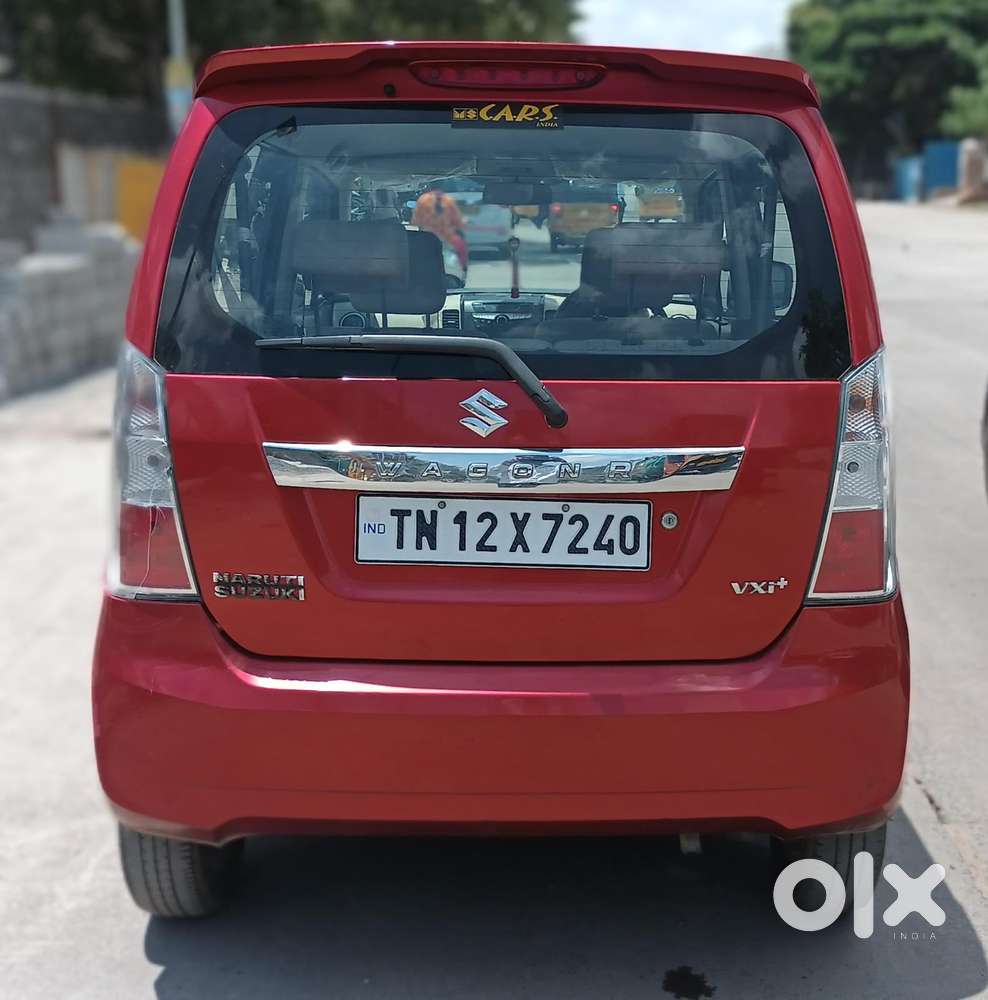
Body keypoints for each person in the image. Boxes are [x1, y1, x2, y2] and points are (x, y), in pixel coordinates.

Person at [412, 189, 469, 270]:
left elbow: (416, 221)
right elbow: (457, 220)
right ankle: (463, 267)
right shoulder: (448, 200)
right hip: (446, 236)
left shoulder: (423, 200)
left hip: (428, 237)